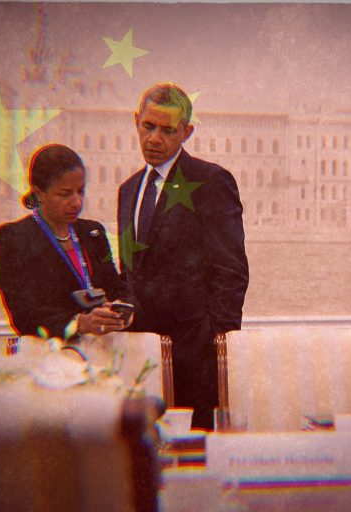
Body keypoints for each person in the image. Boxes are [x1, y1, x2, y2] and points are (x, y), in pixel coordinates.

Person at [117, 83, 249, 430]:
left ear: (186, 132)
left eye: (168, 130)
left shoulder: (211, 181)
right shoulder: (128, 190)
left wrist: (214, 349)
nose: (154, 139)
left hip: (197, 364)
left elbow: (231, 273)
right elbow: (129, 272)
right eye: (148, 126)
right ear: (136, 121)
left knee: (196, 453)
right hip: (140, 362)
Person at [0, 143, 134, 343]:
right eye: (65, 194)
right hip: (49, 354)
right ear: (39, 193)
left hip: (99, 350)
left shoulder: (93, 232)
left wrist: (122, 310)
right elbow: (24, 316)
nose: (77, 202)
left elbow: (117, 289)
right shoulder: (15, 237)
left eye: (81, 191)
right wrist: (80, 323)